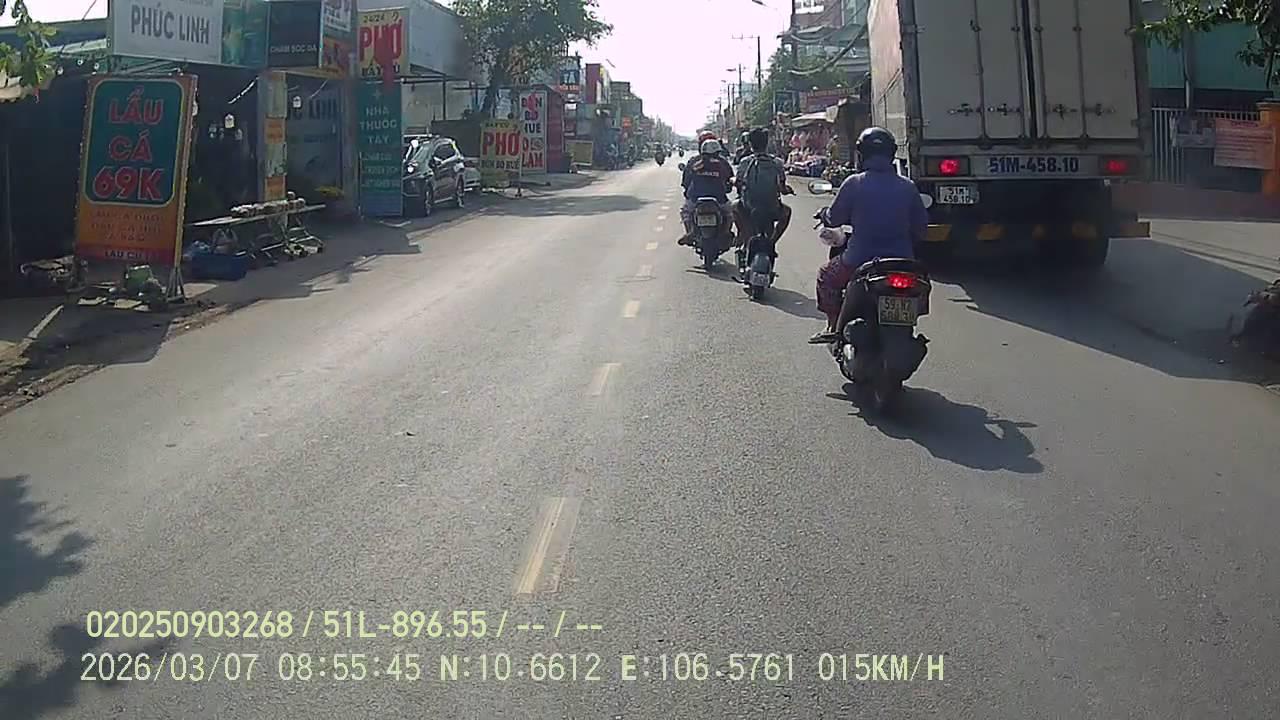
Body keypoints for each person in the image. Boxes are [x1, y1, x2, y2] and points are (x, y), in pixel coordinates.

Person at [808, 127, 927, 344]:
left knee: (825, 276)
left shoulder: (854, 183)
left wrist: (825, 214)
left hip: (859, 260)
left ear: (862, 154)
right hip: (902, 261)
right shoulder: (908, 187)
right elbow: (921, 229)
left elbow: (834, 218)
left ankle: (833, 325)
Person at [732, 127, 793, 252]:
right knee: (787, 212)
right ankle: (772, 242)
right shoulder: (777, 162)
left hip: (749, 207)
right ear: (766, 143)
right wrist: (788, 190)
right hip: (772, 207)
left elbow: (738, 183)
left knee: (734, 207)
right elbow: (782, 187)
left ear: (750, 144)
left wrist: (733, 182)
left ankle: (746, 237)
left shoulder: (745, 162)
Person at [678, 139, 735, 246]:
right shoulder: (722, 163)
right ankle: (726, 231)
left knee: (685, 212)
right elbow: (730, 178)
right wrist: (728, 187)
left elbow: (686, 180)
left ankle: (690, 232)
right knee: (729, 213)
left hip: (695, 198)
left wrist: (687, 191)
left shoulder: (695, 162)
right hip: (719, 198)